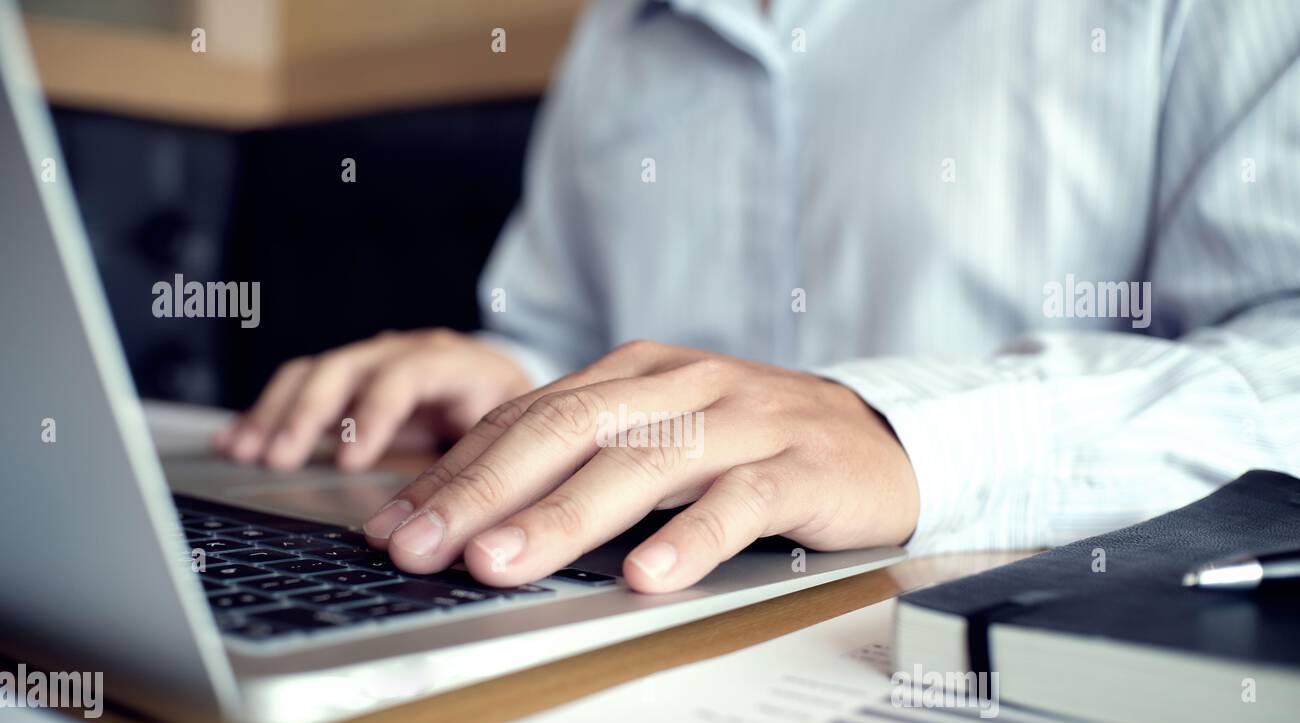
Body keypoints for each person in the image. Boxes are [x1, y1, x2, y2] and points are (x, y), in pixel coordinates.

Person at [213, 0, 1300, 594]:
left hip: (1011, 657)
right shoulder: (623, 27)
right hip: (623, 632)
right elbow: (582, 335)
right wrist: (517, 384)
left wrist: (906, 435)